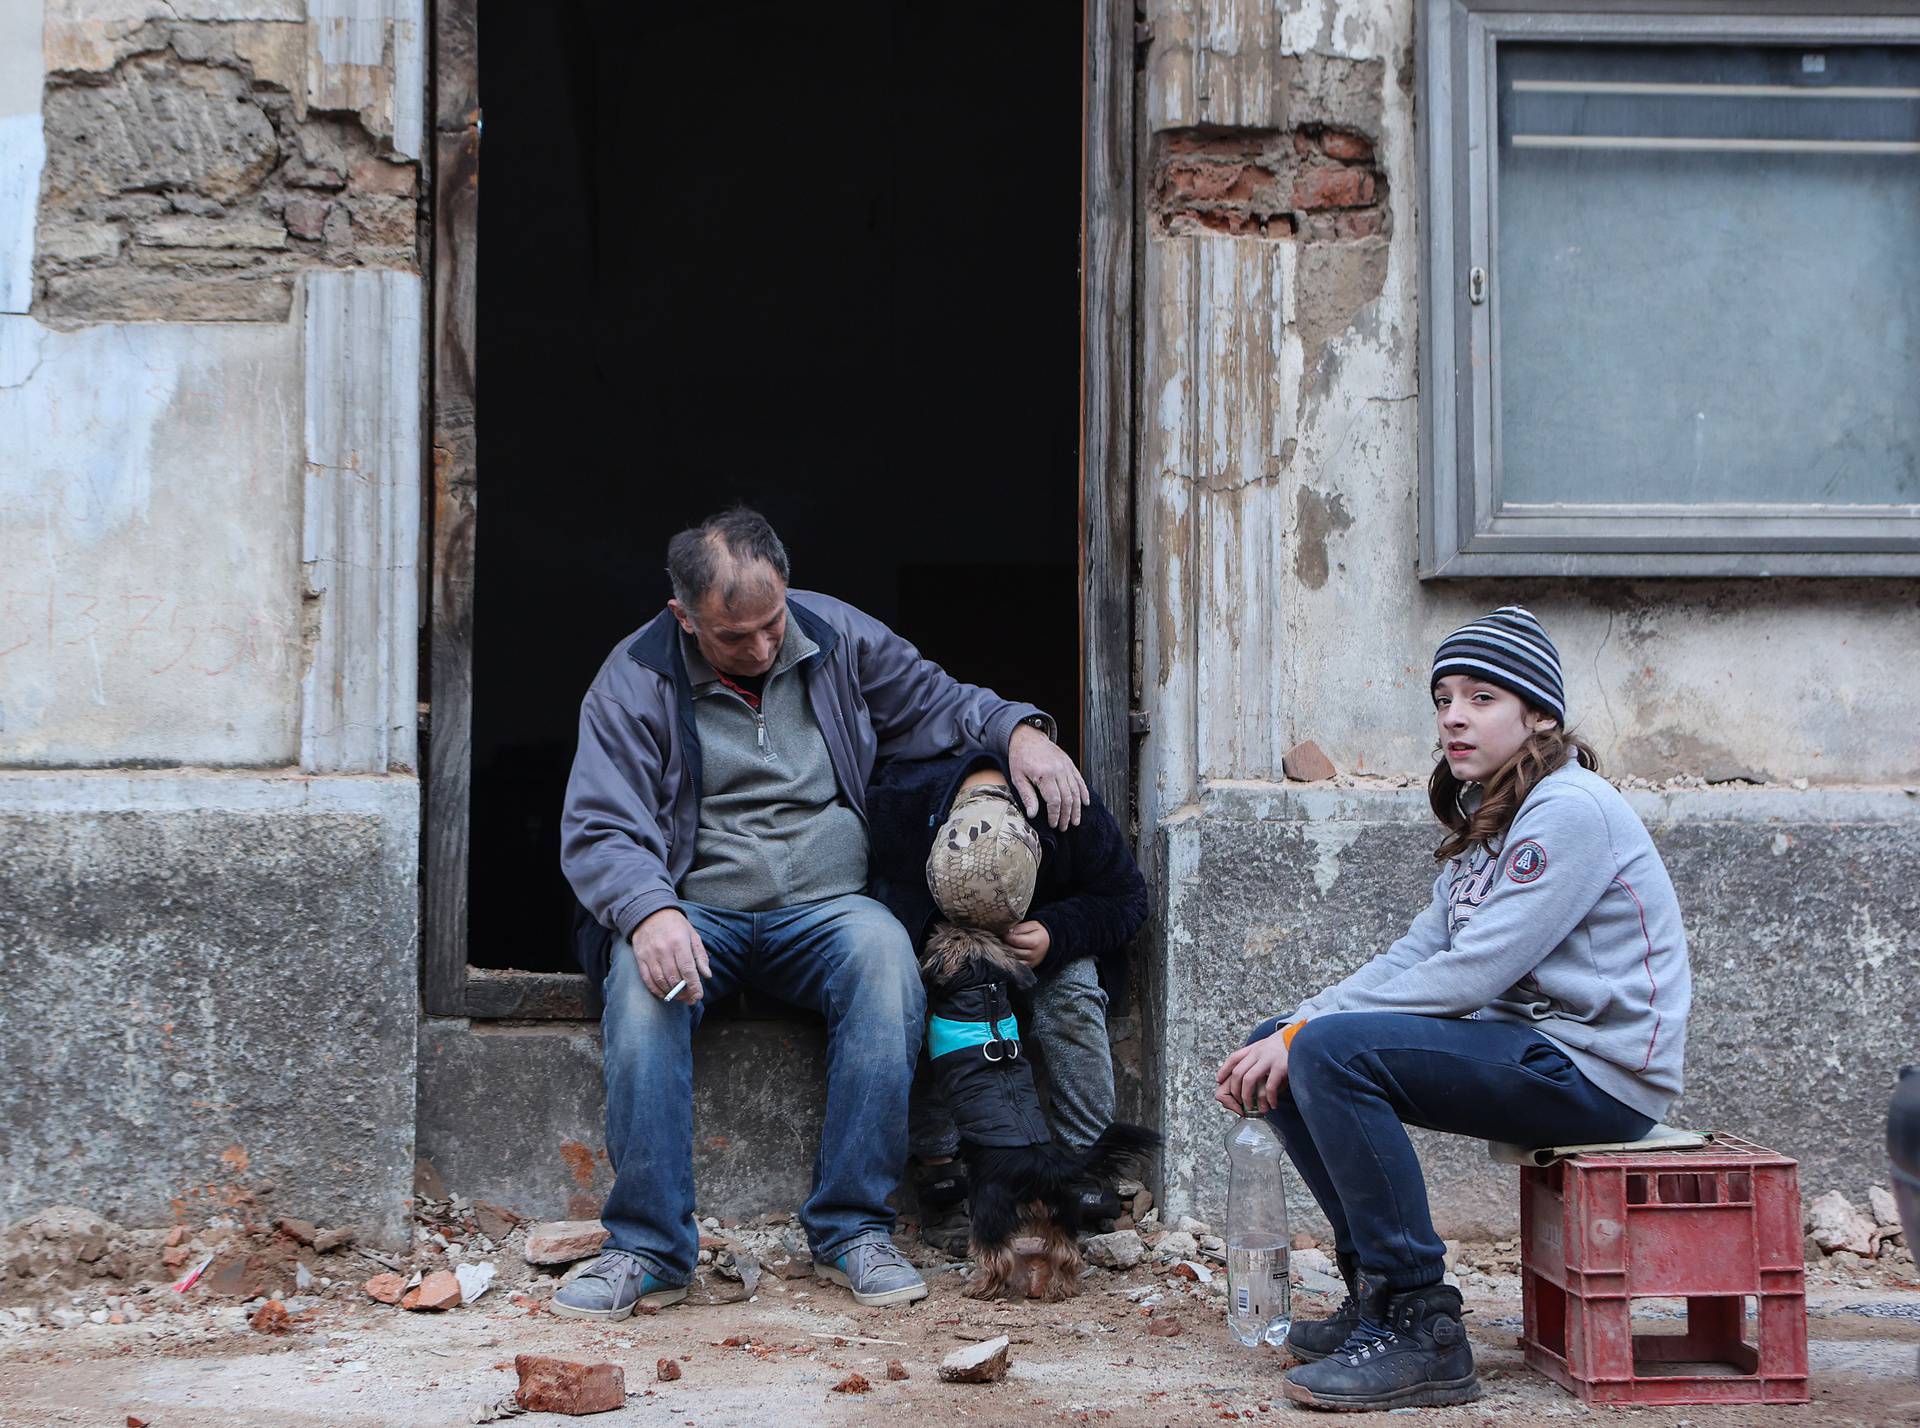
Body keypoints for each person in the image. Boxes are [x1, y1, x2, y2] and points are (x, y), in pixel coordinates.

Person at [556, 507, 1090, 1319]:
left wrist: (1017, 731)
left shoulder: (835, 636)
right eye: (735, 637)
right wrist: (646, 912)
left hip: (829, 911)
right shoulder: (635, 679)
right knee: (639, 983)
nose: (763, 648)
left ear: (788, 591)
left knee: (886, 959)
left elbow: (939, 701)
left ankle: (851, 1230)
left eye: (772, 623)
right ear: (684, 617)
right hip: (696, 909)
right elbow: (600, 826)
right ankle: (650, 1247)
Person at [1214, 606, 1691, 1412]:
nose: (1454, 717)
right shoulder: (1491, 820)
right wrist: (1292, 1025)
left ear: (1538, 714)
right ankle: (1378, 1291)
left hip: (1600, 1073)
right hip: (1534, 1049)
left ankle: (1423, 1326)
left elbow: (1472, 972)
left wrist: (1310, 1036)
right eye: (1443, 699)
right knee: (1292, 1046)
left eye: (1481, 698)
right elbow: (1416, 957)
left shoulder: (1570, 809)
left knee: (1326, 1051)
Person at [866, 750, 1148, 1251]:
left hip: (1044, 952)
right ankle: (942, 1176)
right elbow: (876, 895)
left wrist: (1056, 933)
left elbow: (1127, 899)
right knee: (917, 998)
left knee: (1075, 990)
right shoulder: (903, 806)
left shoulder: (1068, 810)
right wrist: (943, 936)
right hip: (949, 948)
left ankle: (1081, 1170)